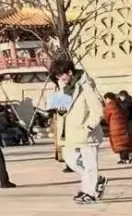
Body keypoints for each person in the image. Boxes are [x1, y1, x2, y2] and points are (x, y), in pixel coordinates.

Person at [52, 57, 106, 203]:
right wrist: (60, 108)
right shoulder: (63, 89)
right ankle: (96, 181)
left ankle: (90, 192)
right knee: (71, 160)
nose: (60, 78)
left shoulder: (86, 86)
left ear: (70, 72)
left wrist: (88, 127)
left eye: (61, 75)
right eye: (57, 76)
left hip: (87, 134)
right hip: (70, 134)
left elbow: (97, 110)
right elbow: (61, 111)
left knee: (90, 165)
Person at [103, 92, 132, 165]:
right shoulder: (118, 104)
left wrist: (109, 122)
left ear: (109, 98)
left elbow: (106, 117)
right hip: (123, 125)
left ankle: (124, 158)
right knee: (123, 142)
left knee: (119, 143)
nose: (106, 100)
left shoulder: (109, 106)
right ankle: (125, 158)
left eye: (106, 99)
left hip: (115, 127)